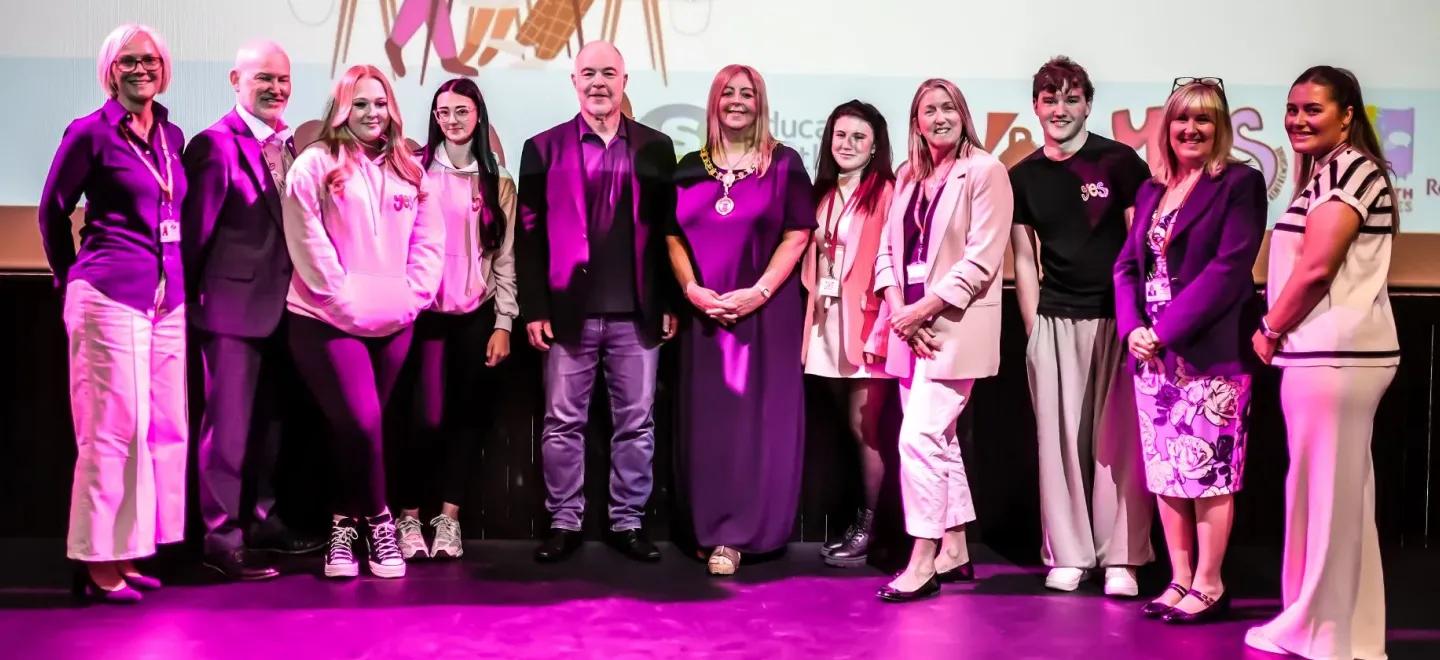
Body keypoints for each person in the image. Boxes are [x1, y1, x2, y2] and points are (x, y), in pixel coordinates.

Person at [1246, 66, 1400, 660]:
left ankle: (1321, 633)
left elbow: (1316, 267)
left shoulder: (1351, 171)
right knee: (1336, 495)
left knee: (1328, 498)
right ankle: (1346, 632)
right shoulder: (1329, 173)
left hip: (1336, 356)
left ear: (1347, 115)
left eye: (1313, 109)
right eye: (1292, 108)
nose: (1297, 119)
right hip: (1331, 357)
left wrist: (1268, 328)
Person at [39, 23, 188, 603]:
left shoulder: (171, 134)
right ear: (110, 69)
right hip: (108, 292)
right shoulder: (89, 134)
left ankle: (127, 553)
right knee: (109, 431)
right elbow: (52, 211)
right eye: (128, 61)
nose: (141, 69)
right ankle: (96, 563)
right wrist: (70, 274)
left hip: (165, 298)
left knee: (158, 429)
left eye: (149, 60)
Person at [515, 41, 677, 564]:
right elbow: (529, 235)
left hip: (638, 314)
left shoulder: (656, 147)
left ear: (625, 81)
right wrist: (535, 307)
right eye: (589, 73)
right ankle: (564, 521)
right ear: (574, 82)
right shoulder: (541, 148)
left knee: (637, 424)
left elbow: (667, 234)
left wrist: (668, 300)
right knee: (562, 424)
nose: (599, 82)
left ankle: (628, 523)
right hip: (567, 314)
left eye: (609, 72)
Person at [1113, 78, 1267, 623]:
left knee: (1209, 474)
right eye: (1182, 119)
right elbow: (1129, 266)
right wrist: (1133, 327)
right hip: (1152, 356)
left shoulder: (1239, 184)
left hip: (1209, 354)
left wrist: (1165, 329)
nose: (1191, 129)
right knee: (1167, 473)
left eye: (1204, 120)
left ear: (1220, 127)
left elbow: (1229, 270)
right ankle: (1178, 579)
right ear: (1167, 127)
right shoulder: (1152, 191)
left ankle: (1209, 582)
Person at [282, 64, 445, 579]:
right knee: (363, 422)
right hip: (323, 321)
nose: (372, 113)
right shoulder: (313, 164)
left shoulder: (413, 170)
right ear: (341, 109)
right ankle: (378, 522)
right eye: (361, 104)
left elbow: (429, 243)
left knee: (355, 432)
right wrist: (342, 300)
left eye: (380, 103)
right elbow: (306, 240)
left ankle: (339, 525)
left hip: (395, 320)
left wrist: (411, 297)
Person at [1008, 56, 1153, 596]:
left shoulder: (1119, 163)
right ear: (1036, 106)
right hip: (1054, 318)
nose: (1060, 109)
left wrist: (1137, 319)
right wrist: (1032, 329)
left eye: (1071, 99)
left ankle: (1122, 558)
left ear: (1088, 104)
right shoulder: (1022, 176)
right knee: (1060, 443)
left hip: (1118, 319)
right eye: (1050, 99)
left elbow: (1139, 248)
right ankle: (1068, 553)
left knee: (1118, 444)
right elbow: (1024, 258)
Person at [182, 40, 322, 583]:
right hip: (229, 312)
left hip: (287, 310)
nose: (276, 89)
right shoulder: (213, 146)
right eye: (264, 78)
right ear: (235, 80)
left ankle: (262, 520)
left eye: (283, 80)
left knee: (271, 426)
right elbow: (194, 237)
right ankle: (220, 538)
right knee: (229, 430)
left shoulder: (291, 147)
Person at [667, 64, 814, 576]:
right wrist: (691, 290)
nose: (736, 101)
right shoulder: (687, 166)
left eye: (746, 94)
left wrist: (759, 292)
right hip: (704, 316)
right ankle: (711, 529)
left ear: (760, 103)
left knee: (759, 425)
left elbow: (797, 235)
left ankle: (747, 532)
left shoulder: (785, 164)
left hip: (765, 315)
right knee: (710, 425)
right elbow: (672, 238)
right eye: (727, 93)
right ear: (713, 102)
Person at [869, 78, 1013, 601]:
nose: (938, 117)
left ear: (963, 113)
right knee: (941, 440)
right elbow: (888, 254)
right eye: (928, 110)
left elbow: (981, 259)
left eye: (947, 107)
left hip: (954, 327)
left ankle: (923, 558)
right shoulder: (908, 176)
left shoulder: (986, 171)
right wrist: (899, 312)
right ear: (916, 122)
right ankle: (956, 548)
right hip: (912, 327)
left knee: (919, 439)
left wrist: (924, 310)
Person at [393, 78, 518, 560]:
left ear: (478, 115)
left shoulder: (498, 182)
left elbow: (504, 258)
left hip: (476, 317)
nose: (452, 120)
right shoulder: (413, 173)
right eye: (443, 112)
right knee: (421, 419)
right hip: (422, 316)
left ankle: (449, 520)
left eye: (461, 111)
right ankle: (408, 519)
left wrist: (504, 322)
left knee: (466, 419)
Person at [801, 100, 896, 567]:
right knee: (845, 430)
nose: (848, 145)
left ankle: (873, 525)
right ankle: (857, 520)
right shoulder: (820, 193)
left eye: (859, 137)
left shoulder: (888, 193)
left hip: (867, 323)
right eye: (841, 135)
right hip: (825, 321)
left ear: (875, 144)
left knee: (868, 430)